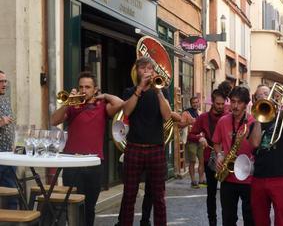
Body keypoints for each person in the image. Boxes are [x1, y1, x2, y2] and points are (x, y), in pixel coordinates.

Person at [50, 71, 123, 226]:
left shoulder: (102, 106)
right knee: (73, 206)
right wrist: (67, 102)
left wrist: (105, 96)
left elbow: (120, 103)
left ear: (94, 89)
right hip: (72, 163)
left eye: (88, 87)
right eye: (81, 86)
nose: (84, 90)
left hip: (94, 163)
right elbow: (53, 120)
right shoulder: (71, 106)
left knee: (89, 207)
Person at [117, 57, 172, 226]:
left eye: (150, 68)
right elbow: (126, 110)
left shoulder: (161, 91)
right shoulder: (129, 91)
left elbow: (167, 115)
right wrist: (140, 88)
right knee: (129, 195)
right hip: (134, 147)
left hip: (155, 148)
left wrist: (158, 91)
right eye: (143, 68)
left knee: (159, 197)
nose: (147, 71)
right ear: (137, 71)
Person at [214, 86, 259, 226]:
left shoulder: (254, 122)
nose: (235, 106)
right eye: (233, 102)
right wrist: (220, 155)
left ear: (246, 104)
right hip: (228, 177)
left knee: (250, 218)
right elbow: (216, 142)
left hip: (249, 178)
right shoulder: (223, 121)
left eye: (239, 102)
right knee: (228, 218)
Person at [249, 85, 283, 226]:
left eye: (266, 94)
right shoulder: (253, 124)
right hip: (259, 177)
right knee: (260, 219)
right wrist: (258, 118)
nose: (264, 97)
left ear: (273, 96)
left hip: (280, 176)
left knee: (282, 220)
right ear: (255, 100)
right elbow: (255, 143)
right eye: (260, 96)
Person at [187, 88, 226, 226]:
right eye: (218, 104)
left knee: (227, 195)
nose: (221, 106)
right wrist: (200, 138)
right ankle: (212, 221)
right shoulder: (203, 118)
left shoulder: (228, 115)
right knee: (211, 194)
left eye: (223, 104)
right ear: (212, 103)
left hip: (227, 158)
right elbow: (191, 134)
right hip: (210, 157)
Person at [0, 70, 18, 209]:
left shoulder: (5, 99)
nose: (4, 84)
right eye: (0, 81)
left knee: (12, 194)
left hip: (8, 154)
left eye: (5, 81)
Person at [179, 96, 204, 188]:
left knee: (202, 161)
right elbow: (180, 125)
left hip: (200, 140)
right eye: (193, 102)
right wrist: (189, 122)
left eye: (197, 102)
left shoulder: (200, 113)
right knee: (192, 162)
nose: (195, 104)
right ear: (191, 103)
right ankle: (193, 181)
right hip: (190, 141)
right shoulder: (186, 113)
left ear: (199, 103)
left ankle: (201, 180)